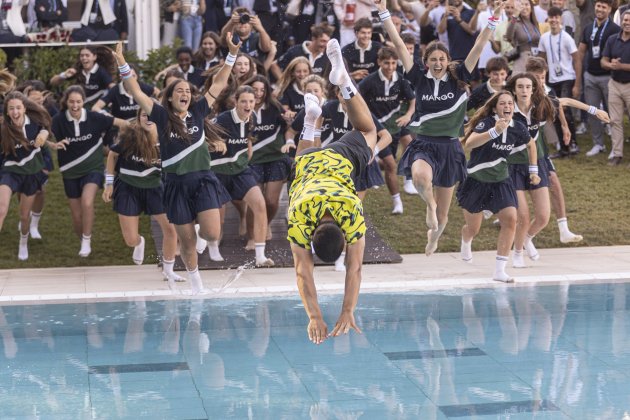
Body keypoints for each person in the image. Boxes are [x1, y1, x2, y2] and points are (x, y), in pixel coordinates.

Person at [375, 0, 504, 256]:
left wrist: (494, 18)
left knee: (443, 218)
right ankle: (429, 205)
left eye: (441, 59)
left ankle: (434, 235)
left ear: (448, 61)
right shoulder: (418, 78)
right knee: (422, 179)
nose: (437, 63)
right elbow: (399, 45)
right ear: (425, 61)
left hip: (450, 148)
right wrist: (383, 12)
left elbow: (479, 44)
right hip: (424, 143)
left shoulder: (459, 78)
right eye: (432, 59)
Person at [112, 37, 238, 294]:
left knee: (212, 234)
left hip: (202, 179)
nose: (185, 94)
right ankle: (196, 284)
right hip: (175, 184)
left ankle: (205, 235)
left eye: (188, 91)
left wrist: (232, 56)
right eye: (179, 91)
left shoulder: (200, 110)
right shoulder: (160, 115)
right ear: (169, 98)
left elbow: (220, 82)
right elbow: (136, 91)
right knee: (187, 241)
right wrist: (123, 63)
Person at [288, 39, 377, 344]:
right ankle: (311, 120)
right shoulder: (301, 220)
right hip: (305, 170)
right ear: (314, 240)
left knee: (368, 131)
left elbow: (355, 270)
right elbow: (302, 272)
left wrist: (347, 310)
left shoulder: (350, 217)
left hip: (338, 161)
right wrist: (313, 316)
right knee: (303, 162)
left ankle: (345, 84)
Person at [458, 91, 539, 282]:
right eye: (502, 104)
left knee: (511, 219)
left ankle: (499, 270)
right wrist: (495, 131)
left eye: (510, 103)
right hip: (476, 181)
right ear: (495, 108)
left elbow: (531, 145)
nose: (507, 107)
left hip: (501, 180)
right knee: (473, 228)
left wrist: (533, 171)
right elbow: (469, 143)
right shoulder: (486, 123)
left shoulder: (518, 127)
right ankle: (466, 239)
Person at [102, 110, 185, 285]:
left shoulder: (168, 139)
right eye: (144, 115)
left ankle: (169, 271)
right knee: (130, 239)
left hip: (155, 188)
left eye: (152, 115)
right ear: (139, 119)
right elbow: (112, 154)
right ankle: (140, 242)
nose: (148, 118)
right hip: (127, 188)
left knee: (171, 230)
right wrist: (109, 183)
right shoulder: (130, 136)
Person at [50, 85, 129, 258]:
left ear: (83, 101)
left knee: (87, 202)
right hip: (69, 171)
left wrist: (121, 142)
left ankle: (86, 239)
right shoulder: (58, 120)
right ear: (66, 102)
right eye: (71, 101)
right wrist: (52, 144)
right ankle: (84, 238)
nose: (75, 105)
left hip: (93, 168)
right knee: (77, 217)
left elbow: (123, 124)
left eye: (78, 101)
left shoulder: (95, 117)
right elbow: (44, 134)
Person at [210, 85, 275, 266]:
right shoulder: (223, 119)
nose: (248, 105)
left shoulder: (250, 118)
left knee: (260, 205)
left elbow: (246, 138)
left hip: (240, 170)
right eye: (244, 101)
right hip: (218, 171)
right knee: (218, 220)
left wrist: (248, 149)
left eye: (251, 101)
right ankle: (211, 247)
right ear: (236, 102)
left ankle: (260, 256)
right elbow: (202, 133)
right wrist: (214, 141)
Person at [504, 73, 555, 267]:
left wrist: (592, 110)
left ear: (533, 89)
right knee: (523, 216)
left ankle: (526, 239)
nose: (524, 90)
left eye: (528, 87)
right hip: (513, 165)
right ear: (514, 90)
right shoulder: (506, 108)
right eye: (520, 87)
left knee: (543, 216)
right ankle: (517, 253)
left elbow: (564, 101)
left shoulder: (541, 106)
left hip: (537, 162)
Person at [358, 46, 416, 214]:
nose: (390, 67)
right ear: (379, 62)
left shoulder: (401, 79)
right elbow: (356, 97)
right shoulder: (370, 81)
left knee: (410, 145)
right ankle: (397, 202)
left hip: (397, 122)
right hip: (379, 129)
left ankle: (408, 179)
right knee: (390, 164)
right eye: (386, 63)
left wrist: (408, 115)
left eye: (393, 63)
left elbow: (412, 100)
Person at [0, 92, 51, 261]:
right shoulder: (3, 127)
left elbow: (45, 131)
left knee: (24, 216)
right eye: (11, 109)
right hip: (10, 172)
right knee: (1, 209)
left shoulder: (35, 124)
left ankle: (23, 242)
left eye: (18, 108)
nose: (15, 112)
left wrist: (43, 136)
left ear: (24, 109)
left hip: (30, 174)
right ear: (7, 111)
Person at [246, 75, 291, 244]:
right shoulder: (242, 107)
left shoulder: (275, 107)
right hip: (252, 161)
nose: (258, 93)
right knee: (255, 201)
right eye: (255, 89)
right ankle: (252, 236)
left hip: (275, 158)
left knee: (271, 202)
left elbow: (289, 127)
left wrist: (289, 121)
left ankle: (265, 224)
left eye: (262, 90)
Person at [573, 0, 619, 157]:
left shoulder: (614, 29)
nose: (599, 9)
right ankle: (598, 144)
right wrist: (579, 78)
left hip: (608, 78)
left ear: (610, 9)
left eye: (603, 7)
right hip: (590, 76)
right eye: (598, 6)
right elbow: (580, 52)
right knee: (593, 111)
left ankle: (615, 146)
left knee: (613, 113)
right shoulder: (588, 28)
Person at [537, 6, 579, 157]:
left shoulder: (567, 37)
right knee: (554, 112)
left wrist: (577, 83)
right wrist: (540, 80)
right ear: (548, 19)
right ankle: (563, 147)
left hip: (567, 78)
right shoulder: (544, 37)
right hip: (552, 80)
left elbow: (577, 59)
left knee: (565, 110)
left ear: (560, 19)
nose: (554, 20)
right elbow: (541, 60)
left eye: (556, 17)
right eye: (551, 17)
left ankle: (573, 143)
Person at [601, 10, 630, 166]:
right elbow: (603, 61)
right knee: (615, 121)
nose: (627, 23)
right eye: (625, 20)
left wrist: (621, 66)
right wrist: (609, 65)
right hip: (614, 84)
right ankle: (617, 154)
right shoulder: (612, 39)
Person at [50, 46, 116, 108]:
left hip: (96, 107)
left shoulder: (101, 72)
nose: (84, 58)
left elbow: (113, 87)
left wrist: (113, 99)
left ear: (94, 57)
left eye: (87, 55)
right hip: (80, 105)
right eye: (82, 56)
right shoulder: (77, 70)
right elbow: (52, 82)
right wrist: (63, 75)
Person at [506, 0, 540, 73]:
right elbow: (508, 36)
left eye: (526, 4)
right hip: (522, 60)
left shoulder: (535, 23)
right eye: (521, 5)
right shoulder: (516, 23)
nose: (524, 7)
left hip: (536, 59)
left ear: (531, 7)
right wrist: (515, 16)